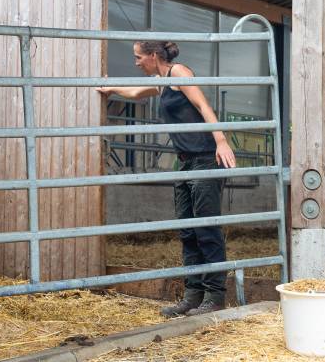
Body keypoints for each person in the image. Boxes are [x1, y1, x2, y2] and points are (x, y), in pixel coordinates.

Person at [97, 41, 236, 317]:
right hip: (184, 162)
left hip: (205, 157)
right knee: (187, 230)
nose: (136, 62)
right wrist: (112, 88)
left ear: (152, 55)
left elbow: (203, 105)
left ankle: (214, 296)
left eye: (138, 57)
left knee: (206, 229)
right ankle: (193, 295)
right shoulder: (161, 82)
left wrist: (221, 140)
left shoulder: (180, 74)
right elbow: (136, 92)